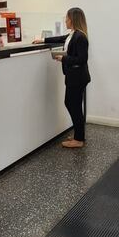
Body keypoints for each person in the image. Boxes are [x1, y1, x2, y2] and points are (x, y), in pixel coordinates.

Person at [33, 8, 90, 148]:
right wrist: (42, 40)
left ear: (73, 19)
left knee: (73, 105)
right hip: (73, 76)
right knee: (73, 105)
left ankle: (78, 139)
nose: (65, 20)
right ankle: (79, 135)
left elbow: (82, 59)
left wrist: (64, 58)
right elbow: (59, 38)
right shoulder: (72, 34)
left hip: (77, 77)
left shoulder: (80, 37)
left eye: (67, 18)